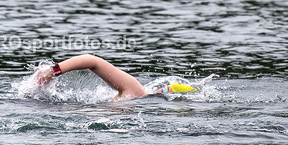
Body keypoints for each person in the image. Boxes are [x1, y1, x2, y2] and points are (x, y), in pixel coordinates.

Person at [32, 54, 194, 101]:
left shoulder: (136, 97)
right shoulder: (136, 92)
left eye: (163, 91)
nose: (159, 90)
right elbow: (92, 60)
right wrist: (54, 70)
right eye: (163, 90)